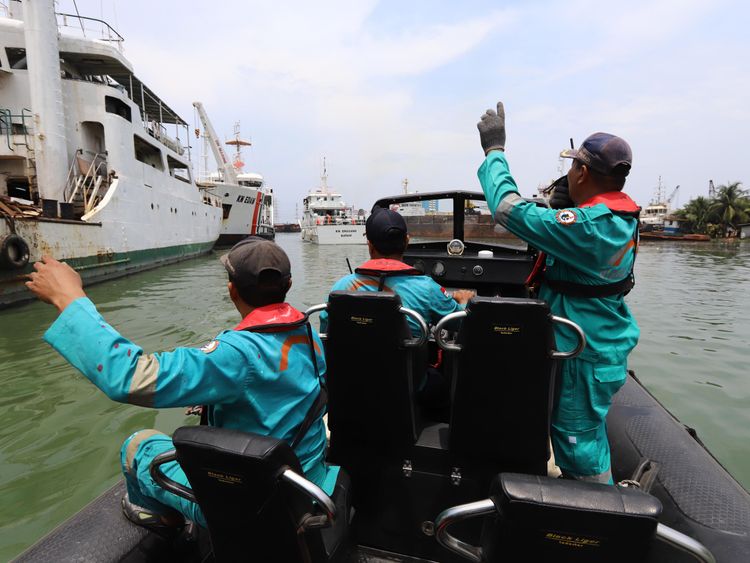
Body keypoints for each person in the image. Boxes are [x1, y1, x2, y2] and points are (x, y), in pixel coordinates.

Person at [25, 237, 336, 531]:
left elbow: (130, 377)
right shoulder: (306, 333)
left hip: (254, 502)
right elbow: (277, 388)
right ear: (289, 286)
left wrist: (69, 298)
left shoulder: (234, 354)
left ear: (232, 291)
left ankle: (161, 519)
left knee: (139, 445)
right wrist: (214, 399)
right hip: (307, 483)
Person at [476, 102, 640, 484]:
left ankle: (596, 520)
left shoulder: (588, 227)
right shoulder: (615, 219)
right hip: (596, 341)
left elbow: (506, 209)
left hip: (583, 353)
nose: (566, 174)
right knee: (585, 435)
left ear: (582, 172)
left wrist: (494, 152)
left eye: (571, 167)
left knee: (577, 444)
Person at [319, 206, 474, 335]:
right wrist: (464, 301)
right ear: (407, 241)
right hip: (408, 372)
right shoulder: (426, 288)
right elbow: (463, 325)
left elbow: (326, 329)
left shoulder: (342, 287)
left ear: (370, 245)